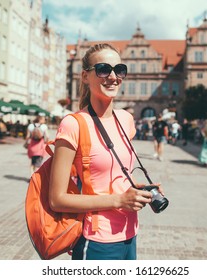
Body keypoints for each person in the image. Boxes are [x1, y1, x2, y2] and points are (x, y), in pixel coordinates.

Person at [48, 43, 162, 260]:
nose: (113, 76)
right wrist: (119, 200)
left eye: (119, 70)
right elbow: (57, 199)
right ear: (85, 76)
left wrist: (137, 189)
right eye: (103, 69)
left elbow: (112, 174)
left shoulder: (127, 120)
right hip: (97, 239)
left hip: (130, 233)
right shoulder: (73, 124)